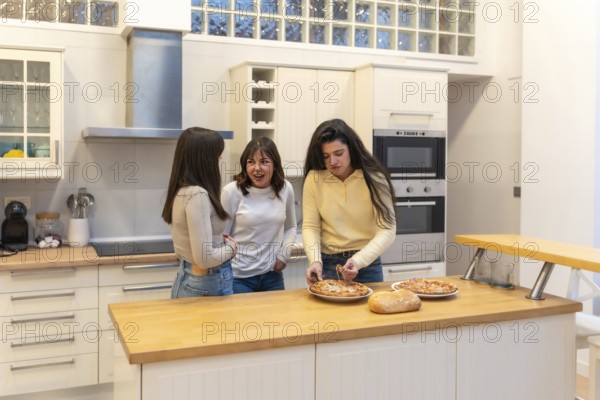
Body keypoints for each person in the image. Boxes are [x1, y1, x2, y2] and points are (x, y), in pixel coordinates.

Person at [302, 118, 396, 284]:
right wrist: (315, 260)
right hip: (328, 265)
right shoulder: (314, 178)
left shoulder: (375, 179)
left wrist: (358, 261)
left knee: (368, 310)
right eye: (326, 156)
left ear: (351, 149)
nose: (333, 162)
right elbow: (311, 226)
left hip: (367, 264)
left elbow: (387, 229)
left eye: (339, 154)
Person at [161, 127, 237, 298]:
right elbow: (204, 258)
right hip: (205, 281)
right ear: (205, 159)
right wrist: (232, 248)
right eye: (217, 153)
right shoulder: (198, 194)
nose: (220, 158)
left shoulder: (182, 190)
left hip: (189, 277)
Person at [221, 136, 297, 293]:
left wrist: (284, 255)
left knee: (276, 318)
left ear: (275, 165)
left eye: (264, 162)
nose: (257, 168)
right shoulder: (232, 191)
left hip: (272, 276)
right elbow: (223, 237)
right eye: (251, 162)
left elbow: (290, 226)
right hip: (238, 278)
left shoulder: (285, 189)